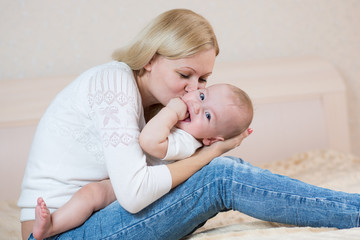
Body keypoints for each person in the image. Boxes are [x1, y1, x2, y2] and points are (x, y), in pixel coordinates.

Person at [18, 8, 359, 240]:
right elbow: (135, 195)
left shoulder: (154, 106)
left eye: (203, 79)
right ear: (150, 59)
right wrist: (211, 155)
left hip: (86, 222)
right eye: (184, 74)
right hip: (60, 232)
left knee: (228, 168)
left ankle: (345, 208)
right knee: (220, 176)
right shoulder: (114, 86)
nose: (194, 89)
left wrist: (214, 148)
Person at [31, 83, 254, 240]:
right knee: (90, 193)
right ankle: (51, 225)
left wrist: (173, 110)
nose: (196, 106)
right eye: (202, 96)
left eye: (207, 116)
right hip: (130, 182)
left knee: (92, 194)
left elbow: (148, 141)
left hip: (143, 193)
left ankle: (51, 227)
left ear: (211, 140)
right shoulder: (181, 130)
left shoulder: (187, 142)